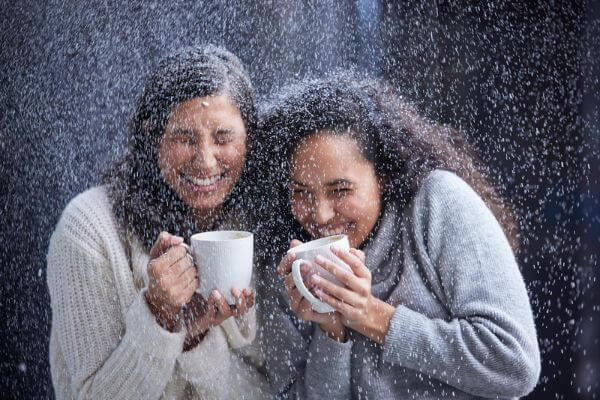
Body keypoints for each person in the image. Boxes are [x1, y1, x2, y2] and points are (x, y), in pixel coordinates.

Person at [257, 75, 541, 399]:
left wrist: (370, 316)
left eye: (340, 190)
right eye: (301, 192)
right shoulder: (287, 264)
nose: (319, 215)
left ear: (385, 175)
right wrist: (332, 331)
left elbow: (514, 364)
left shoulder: (438, 203)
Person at [47, 45, 270, 399]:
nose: (206, 162)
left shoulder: (260, 223)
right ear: (154, 137)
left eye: (223, 138)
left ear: (250, 139)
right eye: (184, 138)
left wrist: (196, 339)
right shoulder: (89, 228)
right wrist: (159, 315)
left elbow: (269, 391)